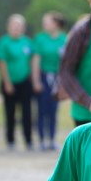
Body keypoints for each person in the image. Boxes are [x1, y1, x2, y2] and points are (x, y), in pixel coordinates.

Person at [0, 14, 35, 150]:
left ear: (23, 28)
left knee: (27, 112)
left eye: (19, 26)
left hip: (24, 81)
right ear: (8, 27)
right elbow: (2, 62)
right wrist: (7, 82)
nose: (16, 28)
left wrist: (32, 78)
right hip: (9, 82)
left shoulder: (27, 42)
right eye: (14, 25)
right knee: (10, 112)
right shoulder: (4, 42)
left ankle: (28, 140)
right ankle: (10, 141)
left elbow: (32, 60)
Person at [32, 11, 68, 151]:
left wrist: (64, 83)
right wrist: (36, 81)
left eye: (47, 21)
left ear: (56, 24)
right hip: (43, 76)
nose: (44, 24)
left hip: (58, 79)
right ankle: (41, 140)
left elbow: (66, 62)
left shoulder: (64, 39)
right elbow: (36, 60)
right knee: (41, 110)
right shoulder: (40, 39)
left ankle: (52, 140)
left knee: (53, 110)